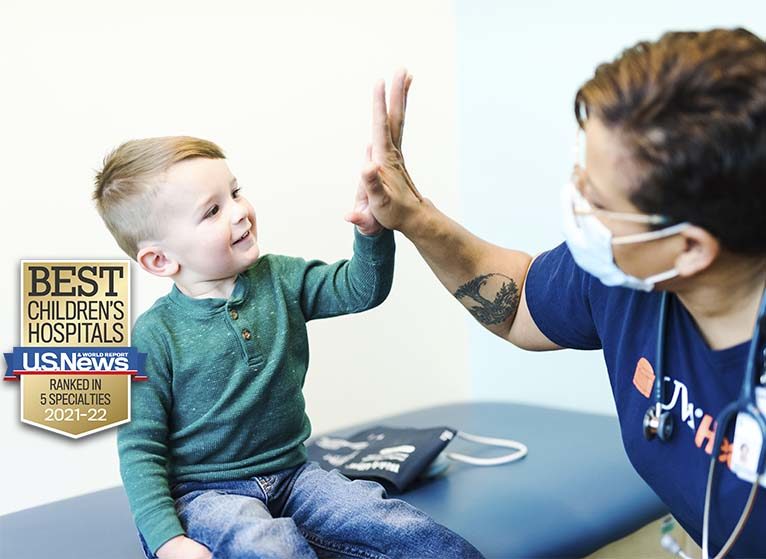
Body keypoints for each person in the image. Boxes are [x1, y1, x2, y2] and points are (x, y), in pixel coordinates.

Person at [363, 29, 766, 558]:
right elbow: (520, 304)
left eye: (596, 199)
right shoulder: (626, 275)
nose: (575, 204)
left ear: (688, 249)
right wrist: (414, 218)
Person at [93, 133, 483, 558]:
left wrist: (372, 232)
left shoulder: (281, 278)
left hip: (294, 475)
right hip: (205, 496)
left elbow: (359, 289)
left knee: (392, 521)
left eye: (235, 192)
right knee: (266, 544)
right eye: (212, 210)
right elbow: (139, 449)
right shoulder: (154, 335)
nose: (240, 211)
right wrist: (168, 541)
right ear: (160, 260)